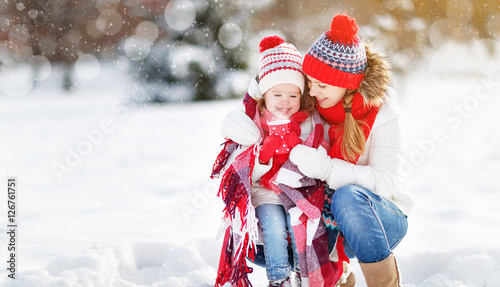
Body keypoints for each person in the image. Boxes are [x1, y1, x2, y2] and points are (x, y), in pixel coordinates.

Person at [220, 14, 415, 287]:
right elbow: (272, 89)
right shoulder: (311, 103)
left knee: (347, 198)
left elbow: (385, 182)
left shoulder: (382, 114)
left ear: (347, 83)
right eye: (310, 81)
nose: (312, 90)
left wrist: (327, 169)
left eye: (321, 85)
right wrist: (239, 120)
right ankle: (336, 276)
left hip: (379, 218)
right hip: (326, 218)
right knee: (272, 226)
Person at [213, 36, 349, 287]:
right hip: (265, 193)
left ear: (302, 97)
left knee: (299, 227)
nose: (285, 101)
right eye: (277, 94)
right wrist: (263, 155)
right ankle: (278, 278)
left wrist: (299, 150)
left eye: (292, 95)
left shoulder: (309, 123)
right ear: (264, 95)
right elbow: (239, 173)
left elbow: (321, 153)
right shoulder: (253, 124)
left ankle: (301, 274)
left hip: (300, 192)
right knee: (275, 229)